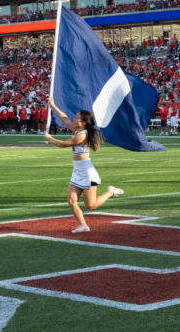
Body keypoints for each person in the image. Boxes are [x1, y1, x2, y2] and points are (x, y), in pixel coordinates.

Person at [44, 97, 123, 233]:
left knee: (90, 206)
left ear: (84, 122)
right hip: (77, 171)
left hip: (87, 172)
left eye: (77, 118)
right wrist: (52, 105)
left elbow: (63, 144)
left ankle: (111, 191)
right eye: (75, 118)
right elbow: (64, 118)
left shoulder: (81, 136)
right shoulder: (77, 129)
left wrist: (50, 138)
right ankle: (83, 225)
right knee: (71, 200)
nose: (74, 120)